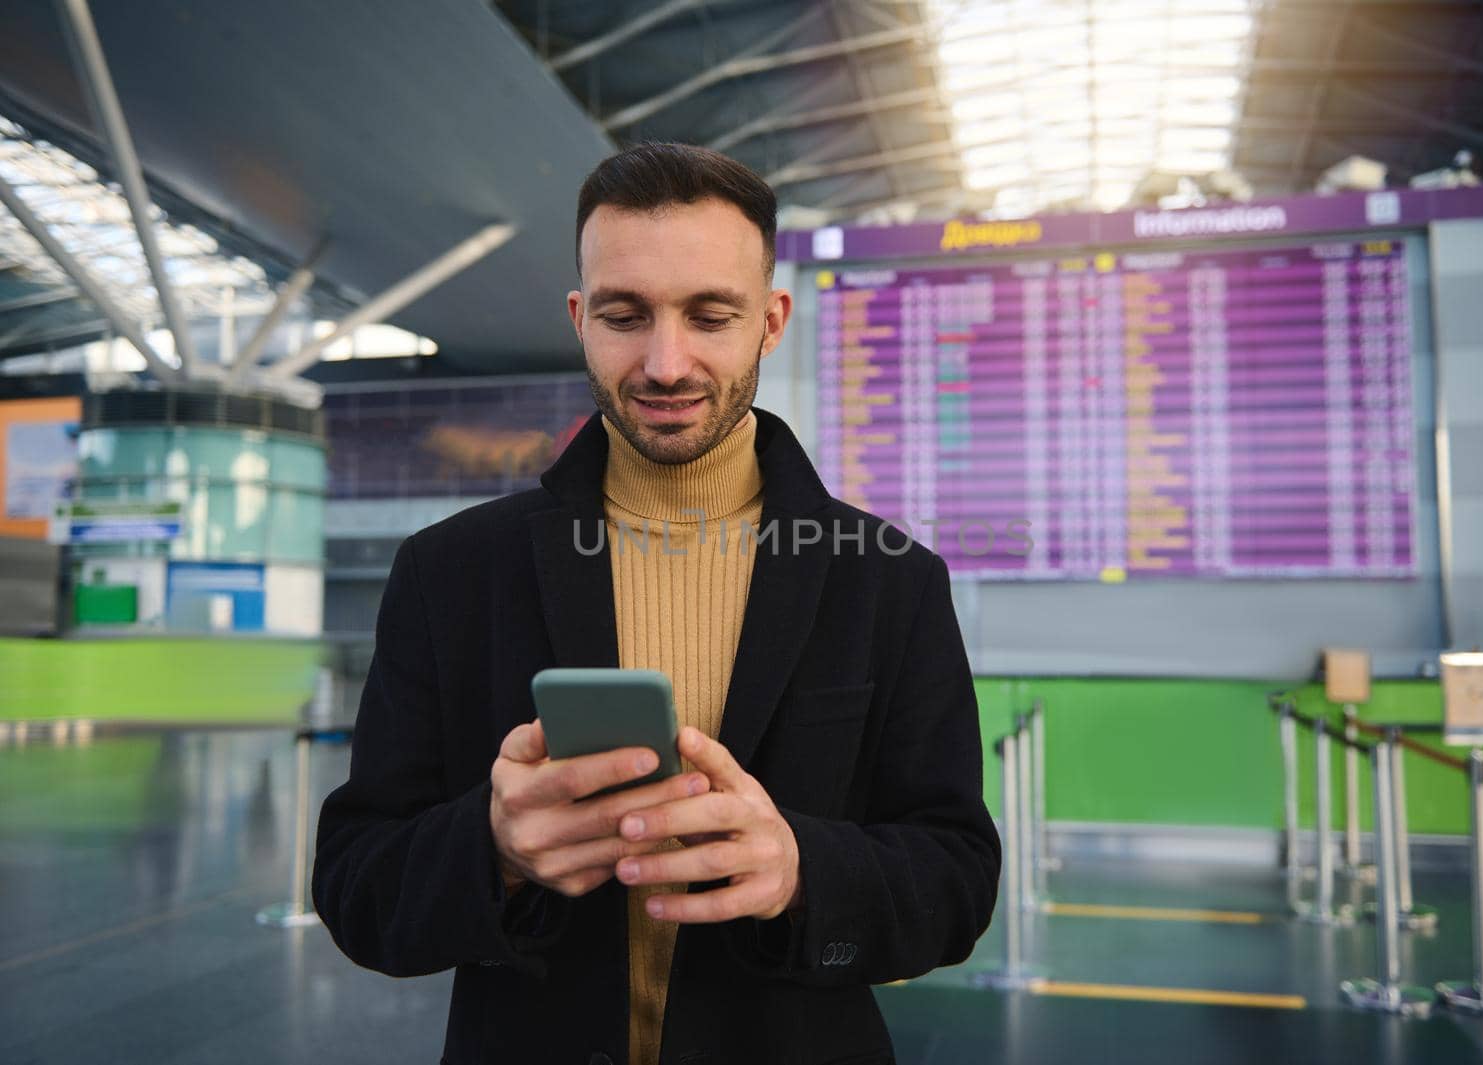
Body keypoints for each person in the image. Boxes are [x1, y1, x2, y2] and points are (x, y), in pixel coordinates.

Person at [313, 142, 1000, 1065]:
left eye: (710, 315)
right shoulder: (451, 573)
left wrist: (802, 868)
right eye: (625, 315)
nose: (665, 363)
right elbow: (358, 883)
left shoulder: (888, 579)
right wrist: (493, 848)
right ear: (579, 319)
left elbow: (955, 877)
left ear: (771, 320)